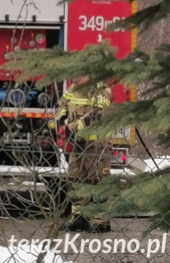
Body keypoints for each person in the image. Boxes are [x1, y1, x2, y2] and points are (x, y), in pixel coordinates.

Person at [55, 75, 113, 233]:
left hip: (97, 144)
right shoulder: (72, 90)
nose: (71, 78)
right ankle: (79, 218)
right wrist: (59, 124)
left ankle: (101, 221)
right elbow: (62, 107)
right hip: (77, 144)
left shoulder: (101, 90)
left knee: (98, 181)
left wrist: (71, 127)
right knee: (75, 180)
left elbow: (98, 114)